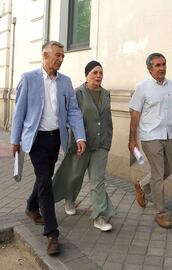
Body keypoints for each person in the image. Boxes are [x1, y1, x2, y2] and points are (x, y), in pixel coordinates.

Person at [10, 41, 86, 255]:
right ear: (45, 55)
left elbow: (73, 110)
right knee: (44, 180)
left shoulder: (65, 82)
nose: (61, 59)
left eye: (63, 56)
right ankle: (52, 233)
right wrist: (15, 141)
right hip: (35, 139)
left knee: (45, 177)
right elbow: (19, 112)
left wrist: (79, 135)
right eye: (58, 55)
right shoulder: (28, 78)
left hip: (55, 139)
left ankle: (31, 206)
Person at [52, 60, 116, 232]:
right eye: (95, 72)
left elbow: (107, 119)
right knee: (75, 175)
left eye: (101, 73)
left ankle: (100, 216)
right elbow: (70, 118)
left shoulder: (106, 94)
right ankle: (69, 198)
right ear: (87, 75)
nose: (98, 76)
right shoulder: (78, 93)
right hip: (82, 143)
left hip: (101, 143)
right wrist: (72, 140)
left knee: (97, 180)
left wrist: (108, 139)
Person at [128, 52, 172, 229]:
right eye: (158, 65)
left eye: (164, 64)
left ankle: (142, 185)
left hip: (168, 135)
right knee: (159, 174)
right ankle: (160, 213)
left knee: (167, 170)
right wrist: (132, 140)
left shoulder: (170, 85)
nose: (162, 68)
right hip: (150, 136)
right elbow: (135, 115)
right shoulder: (142, 87)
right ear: (150, 69)